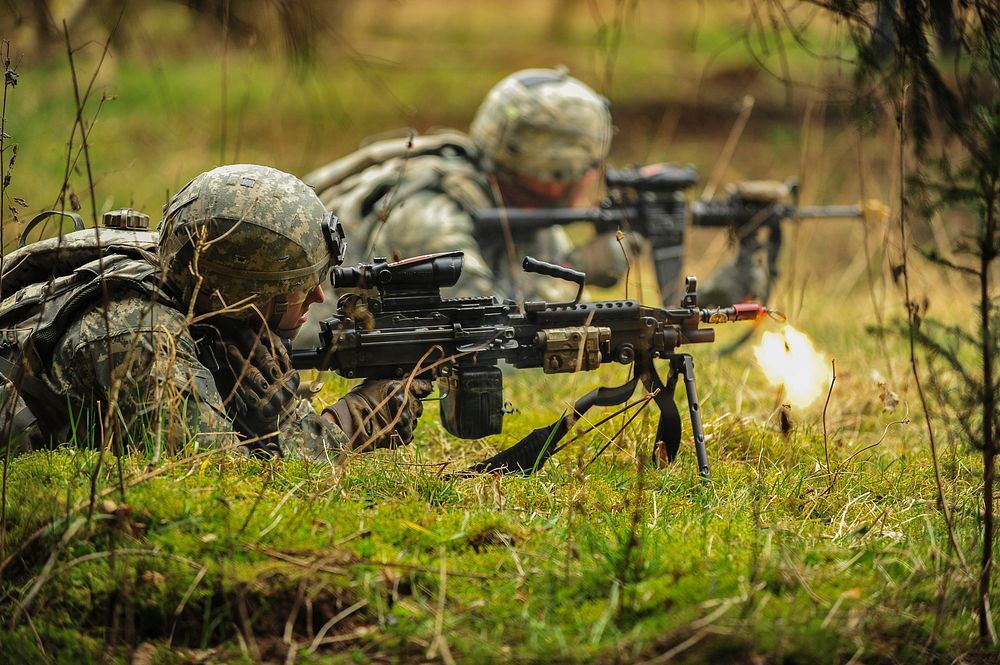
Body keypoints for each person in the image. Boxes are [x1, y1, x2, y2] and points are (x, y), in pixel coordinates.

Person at [0, 164, 429, 458]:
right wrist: (353, 420)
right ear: (246, 295)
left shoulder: (195, 281)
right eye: (299, 286)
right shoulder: (143, 336)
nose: (318, 297)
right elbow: (218, 473)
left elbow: (268, 422)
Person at [298, 67, 630, 349]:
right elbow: (486, 343)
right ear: (557, 166)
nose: (593, 174)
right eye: (591, 163)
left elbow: (545, 319)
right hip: (305, 357)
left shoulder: (515, 212)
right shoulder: (432, 217)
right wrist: (574, 269)